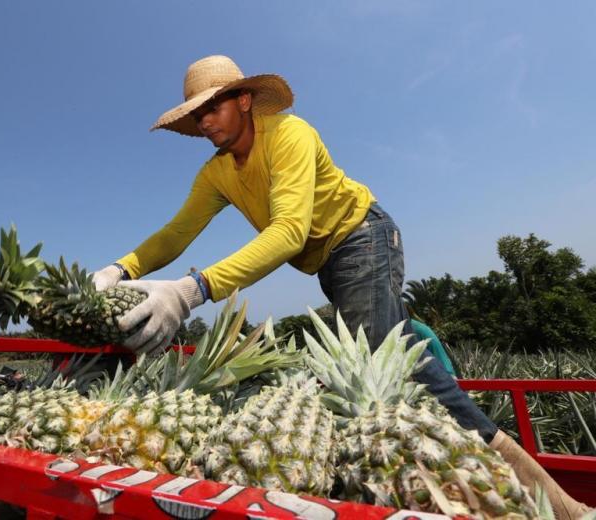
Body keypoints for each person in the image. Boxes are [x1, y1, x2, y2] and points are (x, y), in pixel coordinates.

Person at [91, 55, 588, 518]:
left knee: (384, 357)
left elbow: (289, 232)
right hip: (331, 264)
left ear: (243, 100)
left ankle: (556, 504)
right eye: (196, 114)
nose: (204, 122)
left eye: (213, 107)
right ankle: (544, 495)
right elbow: (177, 232)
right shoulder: (217, 172)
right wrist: (120, 269)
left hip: (362, 236)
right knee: (398, 354)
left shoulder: (289, 134)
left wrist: (191, 290)